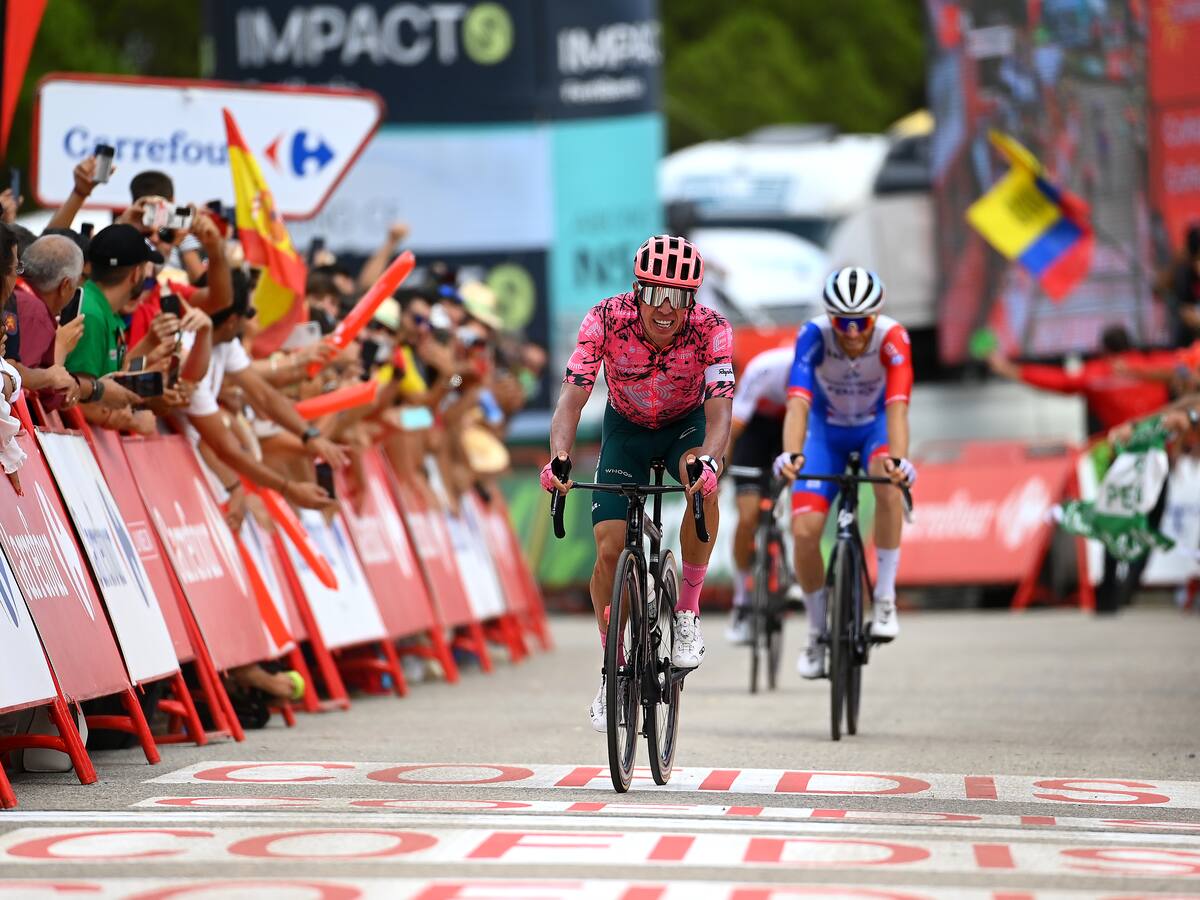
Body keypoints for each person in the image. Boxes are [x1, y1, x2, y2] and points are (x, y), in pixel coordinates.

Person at [541, 234, 734, 732]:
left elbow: (719, 411)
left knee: (697, 479)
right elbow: (571, 399)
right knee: (608, 549)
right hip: (625, 429)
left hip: (685, 427)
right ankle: (613, 671)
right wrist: (560, 457)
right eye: (655, 294)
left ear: (693, 298)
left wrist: (711, 462)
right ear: (637, 290)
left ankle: (687, 613)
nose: (666, 309)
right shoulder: (604, 318)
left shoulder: (713, 328)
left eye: (679, 297)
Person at [775, 267, 915, 679]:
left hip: (875, 430)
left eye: (861, 323)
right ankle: (818, 633)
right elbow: (797, 403)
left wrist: (900, 460)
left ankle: (885, 598)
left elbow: (898, 408)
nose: (852, 332)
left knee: (887, 480)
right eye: (843, 322)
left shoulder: (893, 338)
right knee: (804, 532)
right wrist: (791, 455)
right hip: (825, 434)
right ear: (830, 318)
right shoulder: (813, 335)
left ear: (875, 318)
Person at [724, 345, 794, 643]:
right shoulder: (766, 368)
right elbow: (735, 426)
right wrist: (718, 465)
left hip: (791, 430)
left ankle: (786, 568)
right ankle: (742, 601)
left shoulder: (822, 372)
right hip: (755, 432)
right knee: (748, 516)